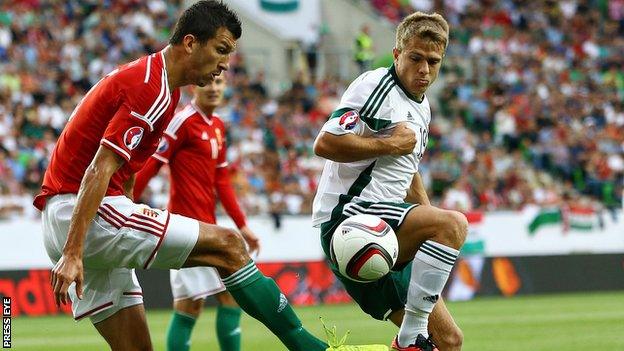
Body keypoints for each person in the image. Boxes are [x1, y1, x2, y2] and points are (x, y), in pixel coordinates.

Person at [35, 1, 380, 350]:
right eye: (221, 50)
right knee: (229, 246)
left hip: (71, 216)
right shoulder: (151, 87)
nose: (225, 65)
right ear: (189, 43)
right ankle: (315, 348)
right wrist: (74, 251)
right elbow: (100, 166)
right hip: (85, 216)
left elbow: (125, 171)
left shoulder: (160, 88)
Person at [313, 12, 465, 351]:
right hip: (351, 218)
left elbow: (407, 171)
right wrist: (389, 143)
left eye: (433, 61)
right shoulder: (374, 87)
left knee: (450, 341)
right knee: (453, 223)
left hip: (388, 222)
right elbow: (325, 143)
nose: (424, 70)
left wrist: (428, 218)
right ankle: (409, 338)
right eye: (415, 58)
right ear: (397, 54)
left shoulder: (422, 107)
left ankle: (408, 340)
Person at [133, 73, 260, 351]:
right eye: (208, 83)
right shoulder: (183, 121)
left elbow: (222, 181)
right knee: (227, 295)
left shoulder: (217, 126)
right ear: (195, 86)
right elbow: (153, 164)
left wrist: (242, 224)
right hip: (186, 228)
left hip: (207, 227)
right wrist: (125, 202)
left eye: (219, 83)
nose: (214, 88)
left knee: (192, 306)